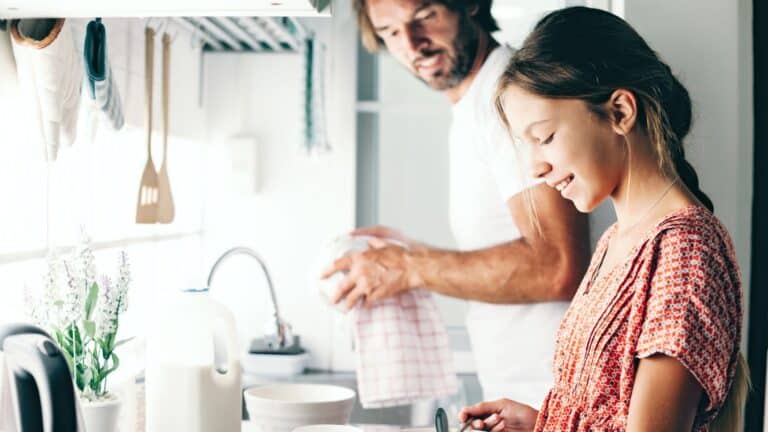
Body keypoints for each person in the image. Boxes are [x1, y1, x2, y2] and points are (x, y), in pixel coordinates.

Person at [458, 6, 749, 432]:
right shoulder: (619, 240)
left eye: (545, 138)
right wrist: (540, 423)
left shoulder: (684, 253)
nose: (535, 167)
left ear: (619, 112)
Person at [322, 0, 592, 407]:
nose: (413, 45)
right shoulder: (477, 103)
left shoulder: (507, 96)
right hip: (528, 403)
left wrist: (409, 267)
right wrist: (414, 255)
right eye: (390, 33)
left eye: (425, 16)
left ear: (469, 5)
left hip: (555, 398)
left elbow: (558, 266)